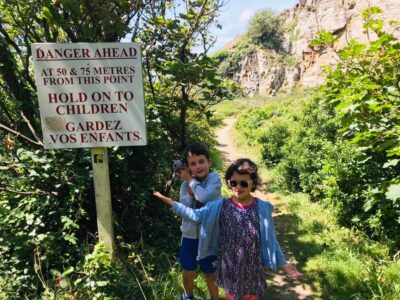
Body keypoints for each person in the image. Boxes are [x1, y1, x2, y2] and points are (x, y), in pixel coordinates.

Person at [154, 158, 303, 300]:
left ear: (253, 183)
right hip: (230, 269)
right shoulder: (220, 206)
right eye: (234, 183)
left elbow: (270, 239)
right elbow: (195, 215)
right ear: (228, 182)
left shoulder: (262, 208)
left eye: (243, 183)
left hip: (253, 270)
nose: (238, 187)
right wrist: (172, 203)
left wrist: (284, 264)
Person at [174, 142, 222, 300]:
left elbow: (205, 196)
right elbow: (184, 210)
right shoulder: (184, 186)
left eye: (201, 161)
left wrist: (191, 181)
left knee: (210, 272)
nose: (198, 166)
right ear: (188, 167)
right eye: (193, 164)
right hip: (189, 236)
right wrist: (189, 191)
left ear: (209, 162)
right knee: (189, 270)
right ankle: (188, 296)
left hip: (209, 236)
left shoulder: (214, 179)